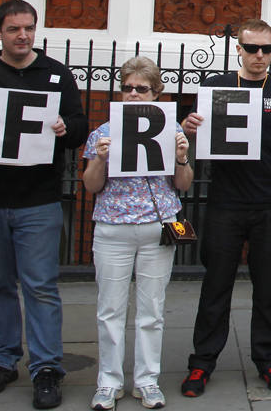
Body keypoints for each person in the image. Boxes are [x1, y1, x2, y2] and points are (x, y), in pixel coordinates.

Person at [0, 0, 88, 409]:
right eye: (14, 29)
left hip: (39, 199)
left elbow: (79, 128)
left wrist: (67, 129)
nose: (23, 35)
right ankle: (2, 360)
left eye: (29, 27)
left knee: (41, 287)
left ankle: (46, 367)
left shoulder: (56, 75)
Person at [180, 19, 271, 397]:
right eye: (253, 49)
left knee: (268, 286)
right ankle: (202, 363)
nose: (260, 56)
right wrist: (189, 127)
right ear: (239, 48)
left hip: (269, 202)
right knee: (216, 284)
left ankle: (268, 359)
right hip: (225, 203)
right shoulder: (216, 87)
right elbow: (191, 135)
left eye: (267, 49)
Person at [83, 57, 194, 410]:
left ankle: (147, 380)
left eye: (141, 88)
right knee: (110, 309)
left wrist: (180, 158)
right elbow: (90, 185)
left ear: (156, 93)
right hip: (112, 227)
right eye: (127, 88)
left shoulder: (171, 130)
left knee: (152, 309)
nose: (132, 94)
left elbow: (183, 185)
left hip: (156, 228)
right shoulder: (103, 132)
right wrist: (100, 159)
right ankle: (108, 382)